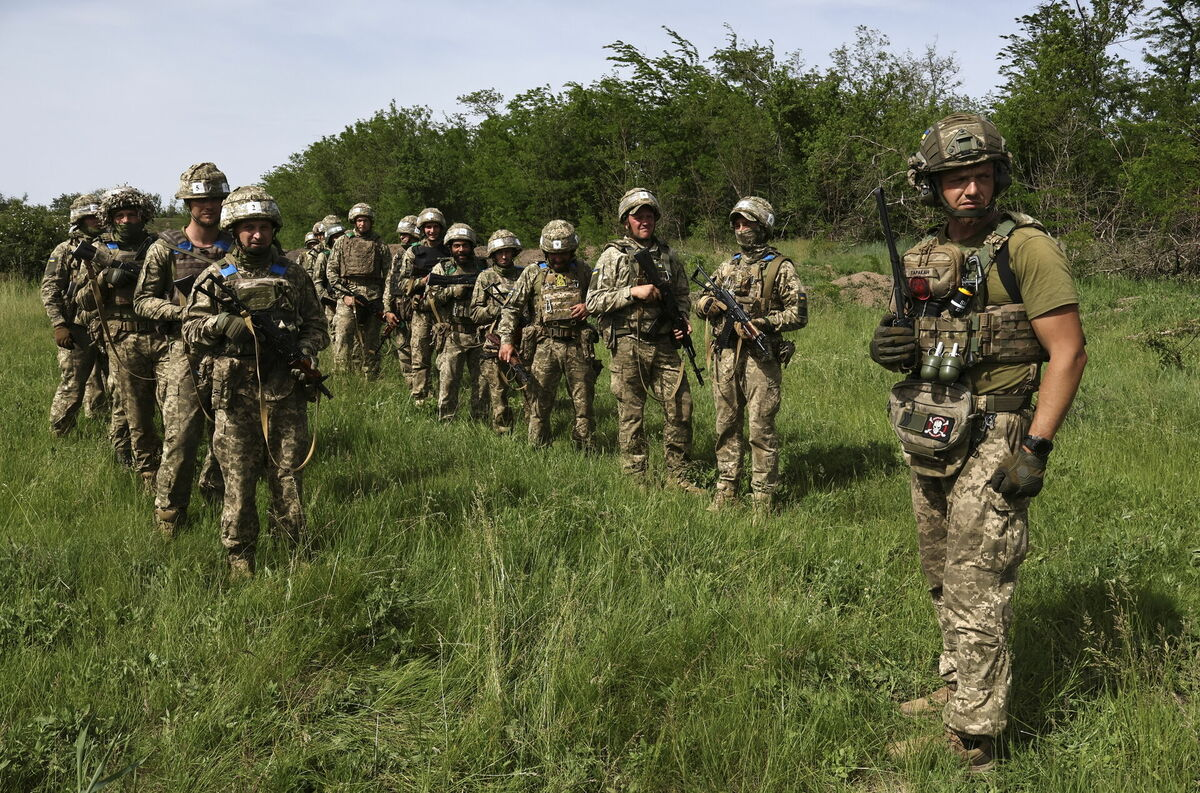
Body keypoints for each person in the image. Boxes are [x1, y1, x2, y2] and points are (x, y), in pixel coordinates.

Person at [871, 113, 1087, 772]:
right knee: (940, 572)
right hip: (932, 427)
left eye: (981, 174)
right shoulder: (924, 253)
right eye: (956, 178)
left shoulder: (1027, 247)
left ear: (999, 175)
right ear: (933, 185)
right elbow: (914, 335)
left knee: (978, 580)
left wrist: (1037, 447)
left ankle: (974, 741)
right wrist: (891, 344)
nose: (970, 188)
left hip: (997, 430)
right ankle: (958, 687)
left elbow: (1068, 351)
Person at [182, 186, 329, 578]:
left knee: (288, 474)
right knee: (239, 479)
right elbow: (190, 331)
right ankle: (240, 555)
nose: (257, 235)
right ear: (235, 230)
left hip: (285, 390)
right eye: (248, 228)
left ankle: (292, 547)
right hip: (235, 392)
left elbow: (317, 325)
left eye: (263, 227)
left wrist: (307, 355)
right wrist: (220, 324)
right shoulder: (216, 277)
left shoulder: (293, 275)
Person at [133, 162, 232, 536]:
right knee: (180, 436)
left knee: (228, 433)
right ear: (188, 202)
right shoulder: (166, 248)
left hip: (228, 351)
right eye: (200, 199)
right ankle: (170, 515)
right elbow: (142, 300)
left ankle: (216, 493)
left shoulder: (233, 245)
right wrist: (183, 313)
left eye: (215, 198)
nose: (209, 205)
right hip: (183, 351)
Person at [695, 196, 807, 514]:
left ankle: (762, 498)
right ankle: (726, 490)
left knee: (761, 428)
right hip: (726, 355)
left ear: (762, 226)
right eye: (737, 223)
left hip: (761, 358)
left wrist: (762, 323)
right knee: (726, 424)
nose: (741, 229)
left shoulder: (779, 267)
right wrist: (708, 306)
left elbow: (798, 314)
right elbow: (700, 298)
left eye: (747, 222)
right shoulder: (728, 266)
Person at [587, 188, 701, 491]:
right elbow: (593, 301)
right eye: (638, 216)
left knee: (680, 407)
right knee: (631, 414)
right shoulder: (612, 256)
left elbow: (682, 295)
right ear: (627, 221)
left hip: (664, 343)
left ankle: (678, 475)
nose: (645, 221)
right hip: (628, 343)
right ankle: (636, 479)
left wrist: (682, 321)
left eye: (649, 215)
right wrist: (632, 293)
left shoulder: (668, 255)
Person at [75, 186, 170, 490]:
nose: (128, 220)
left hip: (160, 336)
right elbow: (83, 300)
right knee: (129, 409)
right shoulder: (98, 250)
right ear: (110, 218)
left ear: (144, 215)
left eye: (133, 214)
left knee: (171, 407)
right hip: (121, 340)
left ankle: (172, 465)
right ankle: (141, 469)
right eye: (121, 215)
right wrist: (104, 279)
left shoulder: (159, 246)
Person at [498, 221, 596, 449]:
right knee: (538, 404)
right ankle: (538, 449)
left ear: (572, 251)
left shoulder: (583, 270)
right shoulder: (533, 273)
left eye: (563, 254)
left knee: (584, 405)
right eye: (553, 254)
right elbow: (511, 308)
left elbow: (601, 298)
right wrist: (506, 341)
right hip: (545, 346)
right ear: (545, 251)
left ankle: (585, 450)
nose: (558, 259)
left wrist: (589, 307)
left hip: (577, 345)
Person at [41, 193, 108, 436]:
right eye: (91, 217)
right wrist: (59, 323)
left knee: (105, 383)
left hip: (108, 325)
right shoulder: (65, 250)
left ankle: (102, 426)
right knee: (73, 384)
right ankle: (60, 433)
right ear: (79, 219)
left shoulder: (112, 246)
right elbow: (50, 289)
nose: (97, 221)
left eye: (99, 216)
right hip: (77, 327)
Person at [427, 223, 486, 421]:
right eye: (456, 246)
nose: (461, 250)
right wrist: (453, 291)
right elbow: (430, 300)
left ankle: (480, 418)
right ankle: (446, 419)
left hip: (479, 334)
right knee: (449, 381)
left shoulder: (483, 267)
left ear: (472, 246)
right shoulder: (443, 268)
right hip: (453, 333)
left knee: (482, 381)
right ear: (450, 247)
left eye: (465, 246)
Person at [471, 228, 525, 434]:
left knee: (527, 386)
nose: (504, 256)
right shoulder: (485, 278)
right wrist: (496, 309)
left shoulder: (523, 274)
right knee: (498, 391)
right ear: (493, 255)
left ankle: (532, 430)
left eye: (508, 251)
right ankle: (503, 431)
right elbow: (475, 313)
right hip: (493, 341)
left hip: (520, 338)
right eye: (500, 252)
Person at [395, 207, 450, 404]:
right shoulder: (413, 252)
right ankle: (420, 399)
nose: (432, 231)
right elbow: (401, 284)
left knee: (445, 358)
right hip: (421, 311)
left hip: (444, 312)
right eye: (428, 227)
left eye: (435, 227)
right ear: (422, 229)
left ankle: (444, 397)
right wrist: (423, 281)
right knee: (419, 356)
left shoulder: (449, 250)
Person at [327, 202, 389, 378]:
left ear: (371, 222)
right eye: (359, 220)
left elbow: (389, 273)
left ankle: (371, 377)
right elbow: (331, 271)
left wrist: (383, 301)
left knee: (371, 341)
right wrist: (343, 295)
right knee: (343, 338)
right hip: (348, 295)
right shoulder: (342, 242)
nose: (362, 224)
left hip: (373, 297)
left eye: (365, 220)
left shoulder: (379, 244)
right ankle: (342, 377)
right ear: (354, 221)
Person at [382, 214, 421, 387]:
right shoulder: (398, 257)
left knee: (420, 352)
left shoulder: (423, 254)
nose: (401, 237)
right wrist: (387, 310)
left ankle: (422, 388)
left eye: (405, 233)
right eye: (401, 234)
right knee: (403, 350)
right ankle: (410, 387)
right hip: (399, 310)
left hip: (419, 310)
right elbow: (390, 284)